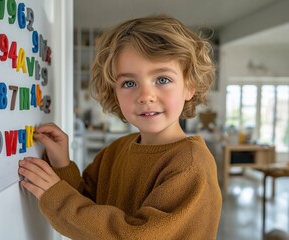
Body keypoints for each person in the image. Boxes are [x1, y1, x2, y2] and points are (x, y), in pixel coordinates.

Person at [18, 15, 222, 239]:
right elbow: (87, 205)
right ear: (114, 92)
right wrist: (61, 163)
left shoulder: (190, 165)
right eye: (129, 83)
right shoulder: (116, 150)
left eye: (162, 79)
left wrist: (57, 198)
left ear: (189, 87)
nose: (145, 96)